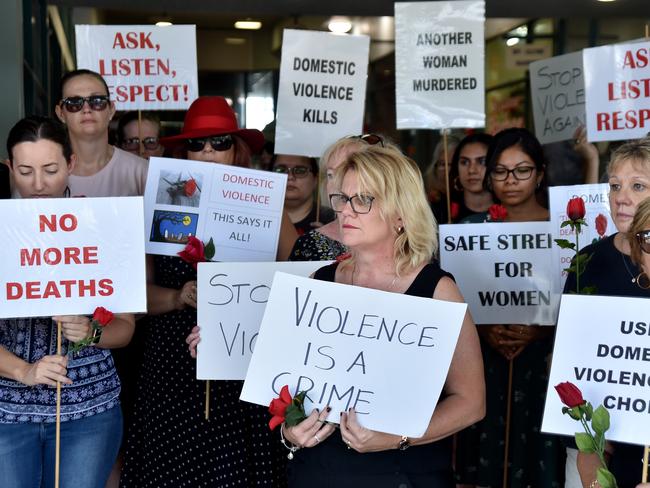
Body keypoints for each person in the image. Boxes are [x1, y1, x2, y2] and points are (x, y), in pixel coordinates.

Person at [281, 144, 485, 487]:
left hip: (403, 473)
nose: (347, 211)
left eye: (363, 200)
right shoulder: (320, 281)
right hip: (318, 470)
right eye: (342, 199)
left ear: (401, 214)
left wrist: (394, 438)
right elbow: (290, 383)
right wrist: (291, 428)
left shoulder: (436, 290)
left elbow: (471, 402)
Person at [121, 96, 292, 488]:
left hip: (241, 359)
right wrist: (179, 296)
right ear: (183, 151)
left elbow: (298, 284)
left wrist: (244, 301)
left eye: (220, 142)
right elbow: (136, 294)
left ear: (237, 150)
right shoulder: (161, 203)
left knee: (233, 469)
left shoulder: (267, 204)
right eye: (197, 144)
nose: (209, 152)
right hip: (172, 364)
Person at [0, 115, 136, 488]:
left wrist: (91, 331)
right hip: (7, 411)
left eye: (50, 169)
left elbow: (124, 329)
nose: (38, 185)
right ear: (9, 166)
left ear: (71, 163)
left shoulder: (106, 224)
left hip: (90, 412)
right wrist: (22, 371)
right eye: (25, 171)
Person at [454, 128, 564, 487]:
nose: (510, 180)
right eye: (500, 171)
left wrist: (542, 329)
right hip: (484, 361)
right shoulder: (469, 230)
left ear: (540, 173)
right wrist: (484, 328)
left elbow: (579, 302)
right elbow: (452, 300)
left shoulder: (565, 229)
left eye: (522, 170)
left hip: (543, 363)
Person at [568, 139, 650, 488]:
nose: (621, 196)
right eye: (615, 185)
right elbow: (570, 354)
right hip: (597, 442)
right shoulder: (587, 261)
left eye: (638, 185)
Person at [289, 134, 385, 262]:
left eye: (347, 171)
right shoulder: (309, 243)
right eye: (330, 174)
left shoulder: (403, 241)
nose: (336, 183)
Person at [55, 69, 148, 197]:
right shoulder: (42, 174)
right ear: (60, 113)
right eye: (74, 103)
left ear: (111, 109)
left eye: (97, 101)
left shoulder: (141, 172)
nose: (86, 109)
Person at [271, 154, 334, 235]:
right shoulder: (257, 217)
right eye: (280, 170)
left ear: (315, 179)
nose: (290, 177)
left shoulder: (333, 220)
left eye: (300, 170)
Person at [448, 133, 494, 222]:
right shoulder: (441, 212)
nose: (472, 170)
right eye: (464, 162)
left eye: (482, 161)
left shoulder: (511, 210)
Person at [424, 135, 460, 224]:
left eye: (452, 164)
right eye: (443, 164)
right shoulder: (427, 202)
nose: (448, 170)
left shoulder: (470, 202)